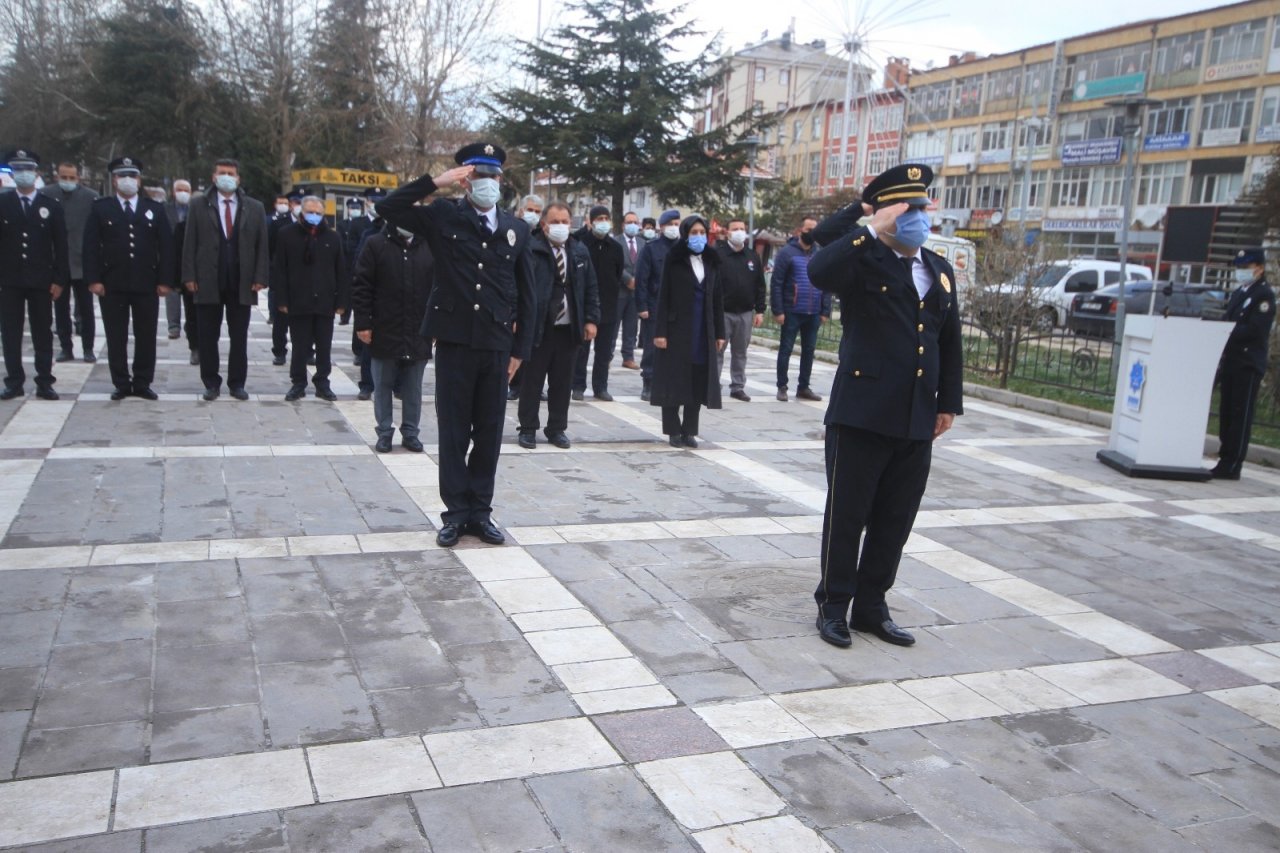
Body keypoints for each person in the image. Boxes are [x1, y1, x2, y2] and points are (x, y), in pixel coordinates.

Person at [806, 164, 963, 649]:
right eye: (910, 210)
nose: (920, 218)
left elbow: (949, 340)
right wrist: (867, 220)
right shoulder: (863, 260)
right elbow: (819, 266)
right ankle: (834, 605)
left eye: (923, 209)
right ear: (892, 215)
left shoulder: (939, 270)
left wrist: (948, 402)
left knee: (896, 517)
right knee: (848, 515)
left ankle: (872, 606)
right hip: (861, 413)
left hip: (916, 416)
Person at [376, 141, 535, 548]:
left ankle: (480, 512)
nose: (487, 183)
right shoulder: (445, 215)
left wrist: (520, 351)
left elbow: (527, 295)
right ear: (466, 180)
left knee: (489, 431)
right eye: (479, 175)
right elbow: (389, 208)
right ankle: (455, 514)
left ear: (502, 180)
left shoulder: (517, 229)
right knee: (453, 432)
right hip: (454, 342)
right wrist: (434, 182)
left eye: (493, 176)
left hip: (497, 344)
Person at [81, 156, 174, 401]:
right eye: (122, 176)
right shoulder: (101, 208)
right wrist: (94, 279)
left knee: (146, 335)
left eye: (132, 176)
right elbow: (90, 246)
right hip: (113, 283)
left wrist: (165, 279)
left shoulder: (153, 208)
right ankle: (121, 383)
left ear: (139, 180)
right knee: (116, 335)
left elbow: (166, 246)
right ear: (114, 180)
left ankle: (142, 382)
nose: (128, 181)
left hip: (146, 283)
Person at [182, 158, 270, 401]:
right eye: (222, 172)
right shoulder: (199, 205)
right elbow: (190, 242)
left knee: (239, 336)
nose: (226, 177)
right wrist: (188, 275)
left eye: (231, 173)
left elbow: (262, 245)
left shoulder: (253, 207)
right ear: (214, 176)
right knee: (208, 335)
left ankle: (237, 383)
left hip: (241, 281)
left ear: (238, 178)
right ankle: (211, 382)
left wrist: (260, 276)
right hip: (208, 278)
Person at [518, 202, 600, 449]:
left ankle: (556, 428)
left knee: (562, 383)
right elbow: (519, 287)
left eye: (565, 222)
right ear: (544, 225)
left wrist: (591, 319)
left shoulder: (579, 251)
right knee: (532, 381)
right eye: (555, 222)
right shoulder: (530, 249)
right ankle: (528, 428)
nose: (561, 227)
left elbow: (591, 288)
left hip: (568, 328)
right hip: (539, 327)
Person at [352, 221, 435, 452]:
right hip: (384, 328)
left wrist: (436, 325)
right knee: (382, 384)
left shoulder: (429, 245)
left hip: (418, 330)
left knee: (413, 387)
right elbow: (362, 286)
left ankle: (410, 432)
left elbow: (439, 287)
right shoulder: (376, 244)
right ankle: (384, 431)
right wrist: (363, 323)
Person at [649, 214, 725, 447]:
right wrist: (659, 332)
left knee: (697, 379)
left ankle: (689, 430)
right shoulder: (674, 259)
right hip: (677, 329)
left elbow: (717, 299)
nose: (699, 237)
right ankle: (673, 430)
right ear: (685, 235)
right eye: (694, 233)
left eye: (702, 233)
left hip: (703, 330)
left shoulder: (712, 262)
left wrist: (720, 333)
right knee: (674, 379)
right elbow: (663, 297)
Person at [0, 150, 68, 401]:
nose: (23, 175)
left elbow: (61, 246)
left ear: (36, 173)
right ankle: (14, 381)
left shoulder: (50, 206)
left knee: (42, 331)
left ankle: (44, 381)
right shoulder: (3, 203)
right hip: (10, 280)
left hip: (42, 280)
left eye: (27, 170)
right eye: (18, 170)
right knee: (10, 333)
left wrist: (60, 279)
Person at [273, 196, 347, 401]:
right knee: (300, 345)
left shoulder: (332, 238)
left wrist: (342, 302)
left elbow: (341, 270)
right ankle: (298, 382)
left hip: (325, 301)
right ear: (301, 212)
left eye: (318, 212)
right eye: (309, 212)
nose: (313, 216)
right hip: (298, 300)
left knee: (324, 346)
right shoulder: (286, 235)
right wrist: (281, 300)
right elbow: (279, 269)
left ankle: (322, 382)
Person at [1213, 248, 1275, 480]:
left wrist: (1226, 331)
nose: (1241, 272)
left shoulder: (1263, 295)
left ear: (1259, 268)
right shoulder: (1240, 292)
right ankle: (1224, 457)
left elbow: (1255, 331)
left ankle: (1232, 463)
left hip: (1247, 364)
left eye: (1246, 267)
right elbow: (1226, 319)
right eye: (1239, 267)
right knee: (1227, 413)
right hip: (1231, 362)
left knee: (1240, 414)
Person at [42, 161, 98, 363]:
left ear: (78, 178)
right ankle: (66, 347)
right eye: (64, 177)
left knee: (86, 308)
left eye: (71, 177)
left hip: (82, 261)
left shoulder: (91, 197)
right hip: (57, 263)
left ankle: (88, 348)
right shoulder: (46, 195)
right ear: (57, 176)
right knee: (60, 308)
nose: (68, 181)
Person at [771, 216, 830, 402]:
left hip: (813, 312)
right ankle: (782, 386)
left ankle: (803, 387)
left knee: (809, 350)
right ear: (799, 230)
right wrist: (778, 310)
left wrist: (825, 310)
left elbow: (825, 282)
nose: (811, 233)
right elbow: (776, 283)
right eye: (808, 229)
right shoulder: (786, 253)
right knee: (786, 349)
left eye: (815, 229)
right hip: (792, 310)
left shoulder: (819, 253)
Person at [572, 205, 622, 402]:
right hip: (585, 306)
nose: (603, 222)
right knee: (581, 350)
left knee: (604, 352)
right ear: (591, 221)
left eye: (606, 218)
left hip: (608, 306)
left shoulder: (615, 247)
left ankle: (600, 387)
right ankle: (578, 385)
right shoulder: (581, 243)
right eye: (599, 218)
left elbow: (617, 275)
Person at [715, 218, 767, 402]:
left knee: (740, 352)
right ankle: (713, 385)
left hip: (745, 312)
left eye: (742, 229)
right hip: (723, 312)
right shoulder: (718, 255)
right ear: (727, 232)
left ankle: (737, 386)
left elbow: (760, 285)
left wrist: (760, 310)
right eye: (735, 229)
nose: (739, 232)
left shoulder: (752, 256)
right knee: (717, 351)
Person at [635, 209, 681, 401]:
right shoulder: (651, 248)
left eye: (677, 224)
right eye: (671, 224)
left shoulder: (683, 247)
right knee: (652, 346)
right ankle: (648, 380)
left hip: (678, 306)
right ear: (662, 227)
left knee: (675, 347)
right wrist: (642, 306)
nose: (674, 228)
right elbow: (642, 279)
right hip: (655, 304)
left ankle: (670, 382)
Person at [508, 193, 545, 401]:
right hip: (515, 298)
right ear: (521, 210)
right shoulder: (511, 232)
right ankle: (514, 383)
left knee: (534, 347)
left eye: (538, 212)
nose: (533, 215)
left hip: (536, 300)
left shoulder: (540, 237)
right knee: (515, 343)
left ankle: (534, 386)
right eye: (530, 210)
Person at [167, 180, 199, 365]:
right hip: (188, 277)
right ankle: (195, 347)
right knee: (192, 314)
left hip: (208, 278)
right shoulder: (182, 227)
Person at [267, 190, 298, 366]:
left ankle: (308, 350)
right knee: (280, 318)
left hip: (304, 280)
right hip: (283, 277)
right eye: (294, 202)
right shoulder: (279, 224)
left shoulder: (315, 225)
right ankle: (279, 351)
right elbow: (271, 249)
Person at [615, 210, 643, 370]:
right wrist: (628, 279)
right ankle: (609, 355)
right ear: (623, 224)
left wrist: (638, 280)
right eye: (629, 222)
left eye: (635, 222)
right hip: (620, 290)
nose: (632, 225)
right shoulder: (616, 242)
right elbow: (615, 265)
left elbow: (644, 265)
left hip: (635, 293)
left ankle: (628, 356)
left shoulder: (643, 243)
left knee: (631, 327)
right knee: (614, 326)